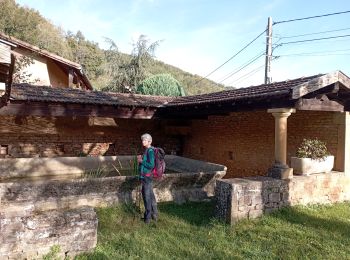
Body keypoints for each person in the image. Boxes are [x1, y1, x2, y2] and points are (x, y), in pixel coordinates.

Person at [137, 133, 158, 224]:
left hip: (147, 177)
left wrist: (141, 161)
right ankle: (154, 215)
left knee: (146, 197)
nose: (143, 141)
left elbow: (151, 165)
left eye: (144, 140)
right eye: (142, 140)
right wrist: (141, 160)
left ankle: (147, 218)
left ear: (149, 141)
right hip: (146, 176)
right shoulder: (147, 150)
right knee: (151, 196)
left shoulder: (150, 151)